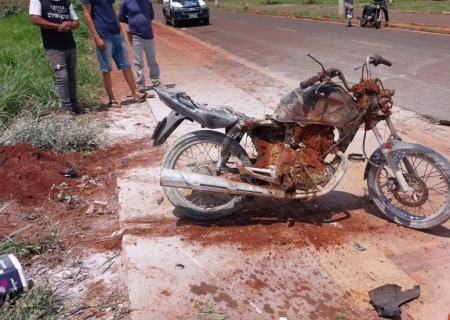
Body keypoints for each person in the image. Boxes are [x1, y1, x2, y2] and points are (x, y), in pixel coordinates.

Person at [81, 0, 147, 106]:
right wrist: (96, 37)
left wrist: (120, 29)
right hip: (103, 33)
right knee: (106, 68)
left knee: (126, 65)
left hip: (116, 32)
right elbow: (86, 13)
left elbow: (111, 9)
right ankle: (112, 98)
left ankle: (135, 93)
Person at [29, 0, 85, 115]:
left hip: (70, 45)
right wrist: (58, 26)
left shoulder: (66, 2)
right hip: (53, 47)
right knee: (62, 77)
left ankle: (75, 105)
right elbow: (35, 19)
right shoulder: (39, 1)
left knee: (72, 76)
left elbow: (76, 22)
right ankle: (67, 109)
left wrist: (71, 25)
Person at [119, 0, 161, 93]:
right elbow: (121, 17)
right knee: (138, 62)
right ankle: (141, 84)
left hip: (149, 35)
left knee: (152, 60)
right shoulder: (126, 2)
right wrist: (132, 21)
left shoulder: (147, 2)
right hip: (135, 35)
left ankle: (156, 81)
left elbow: (151, 16)